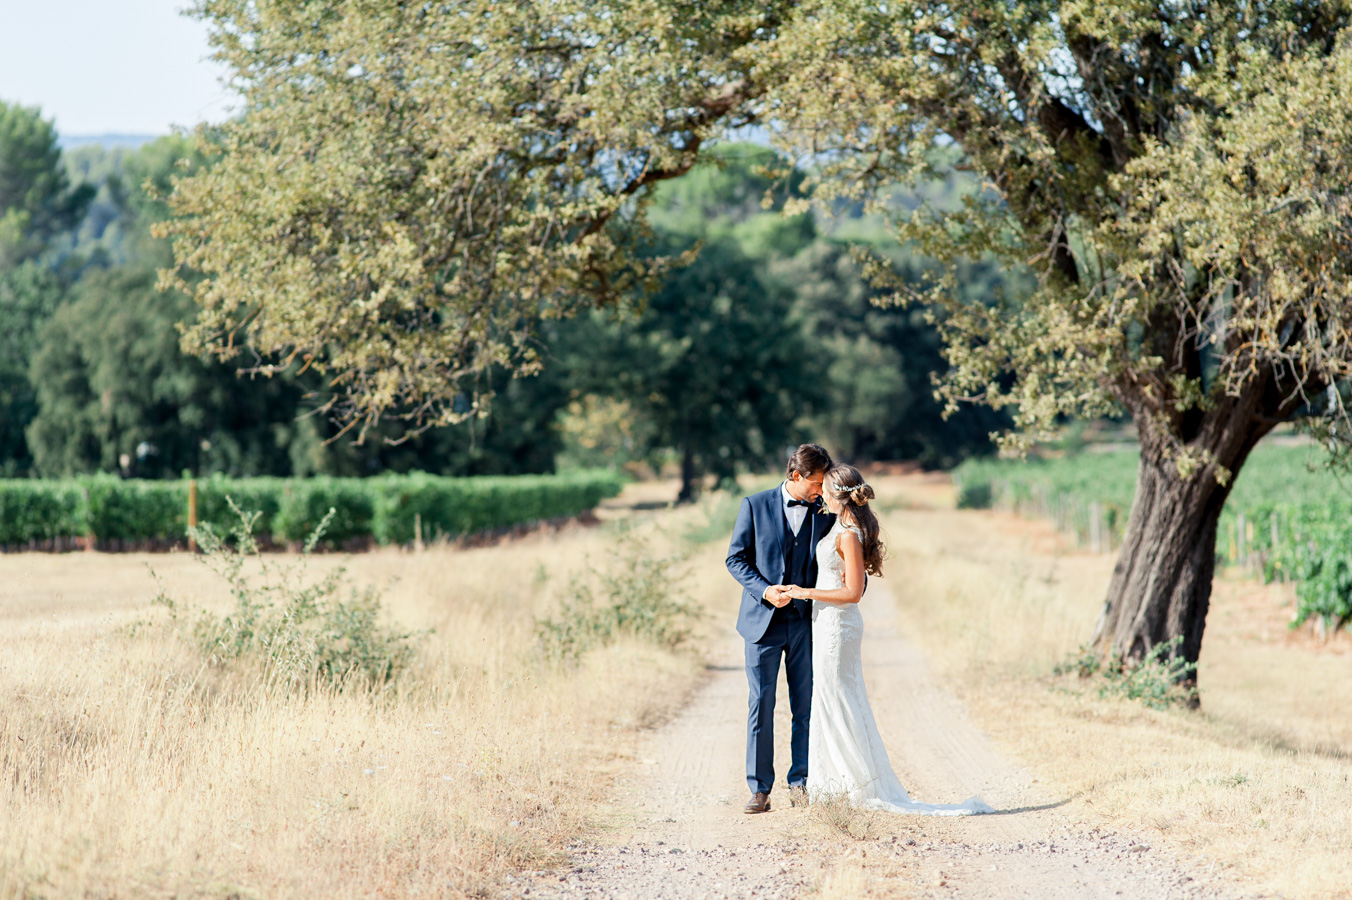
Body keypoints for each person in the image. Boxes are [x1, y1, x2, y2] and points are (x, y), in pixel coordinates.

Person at [785, 464, 992, 816]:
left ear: (838, 495)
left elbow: (853, 592)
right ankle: (835, 782)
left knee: (838, 700)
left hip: (838, 626)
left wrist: (804, 592)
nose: (819, 493)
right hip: (826, 623)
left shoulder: (848, 534)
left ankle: (850, 785)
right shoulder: (839, 525)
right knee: (832, 699)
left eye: (824, 489)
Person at [725, 443, 835, 814]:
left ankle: (801, 782)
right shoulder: (753, 506)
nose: (821, 490)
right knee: (762, 704)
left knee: (806, 706)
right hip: (762, 625)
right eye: (816, 483)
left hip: (807, 624)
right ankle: (759, 789)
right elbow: (735, 559)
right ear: (795, 476)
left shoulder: (825, 511)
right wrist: (765, 590)